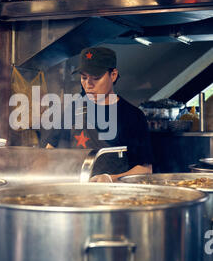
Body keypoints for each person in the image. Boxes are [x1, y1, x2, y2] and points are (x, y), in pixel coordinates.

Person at [42, 46, 153, 182]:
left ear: (113, 75)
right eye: (84, 77)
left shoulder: (132, 116)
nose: (88, 85)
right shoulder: (73, 109)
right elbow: (48, 153)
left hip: (115, 196)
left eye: (96, 78)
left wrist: (111, 179)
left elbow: (145, 169)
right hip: (74, 194)